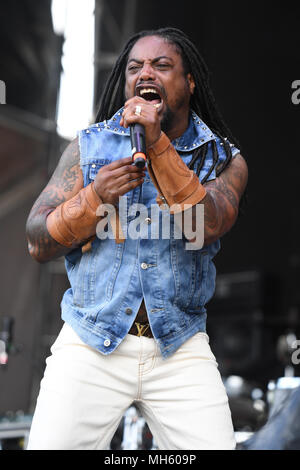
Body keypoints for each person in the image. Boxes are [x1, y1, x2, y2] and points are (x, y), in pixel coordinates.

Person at [25, 27, 248, 450]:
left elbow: (210, 222)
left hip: (179, 344)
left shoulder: (223, 159)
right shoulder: (88, 149)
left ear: (190, 83)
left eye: (162, 65)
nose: (146, 72)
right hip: (90, 340)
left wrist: (157, 144)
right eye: (134, 67)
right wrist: (94, 198)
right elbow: (37, 242)